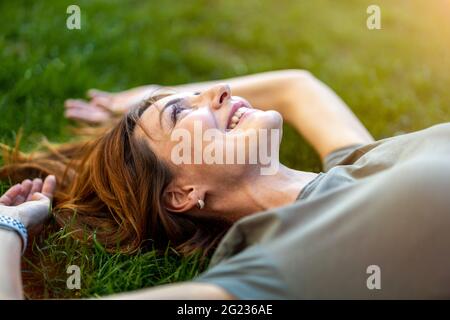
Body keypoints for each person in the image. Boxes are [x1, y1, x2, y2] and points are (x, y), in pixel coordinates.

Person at [1, 69, 450, 299]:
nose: (220, 89)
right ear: (182, 194)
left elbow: (298, 88)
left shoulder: (355, 162)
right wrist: (11, 225)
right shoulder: (279, 261)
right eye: (180, 114)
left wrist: (149, 97)